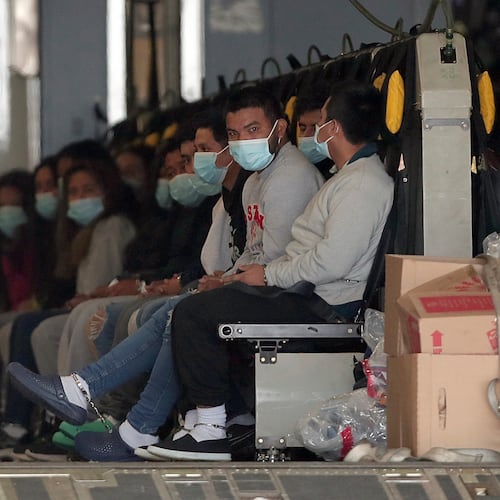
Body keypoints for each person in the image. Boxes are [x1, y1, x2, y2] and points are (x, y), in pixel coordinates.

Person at [6, 84, 325, 462]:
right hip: (257, 286)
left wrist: (222, 281)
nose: (243, 142)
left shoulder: (290, 177)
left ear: (280, 129)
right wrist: (222, 279)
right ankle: (108, 410)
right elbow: (247, 259)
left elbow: (272, 264)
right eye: (236, 134)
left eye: (253, 130)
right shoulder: (258, 178)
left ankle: (123, 417)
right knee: (174, 312)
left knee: (182, 314)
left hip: (288, 294)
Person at [144, 79, 395, 461]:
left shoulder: (362, 184)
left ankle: (210, 429)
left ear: (336, 129)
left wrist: (268, 276)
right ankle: (220, 419)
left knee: (195, 314)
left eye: (322, 121)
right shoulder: (347, 178)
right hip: (304, 291)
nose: (314, 131)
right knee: (200, 305)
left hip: (323, 301)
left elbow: (332, 262)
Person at [0, 154, 137, 449]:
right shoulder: (82, 233)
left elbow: (105, 285)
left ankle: (80, 415)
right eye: (73, 192)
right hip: (83, 305)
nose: (79, 198)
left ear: (107, 189)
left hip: (108, 304)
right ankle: (47, 417)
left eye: (88, 190)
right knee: (28, 326)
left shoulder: (113, 227)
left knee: (44, 329)